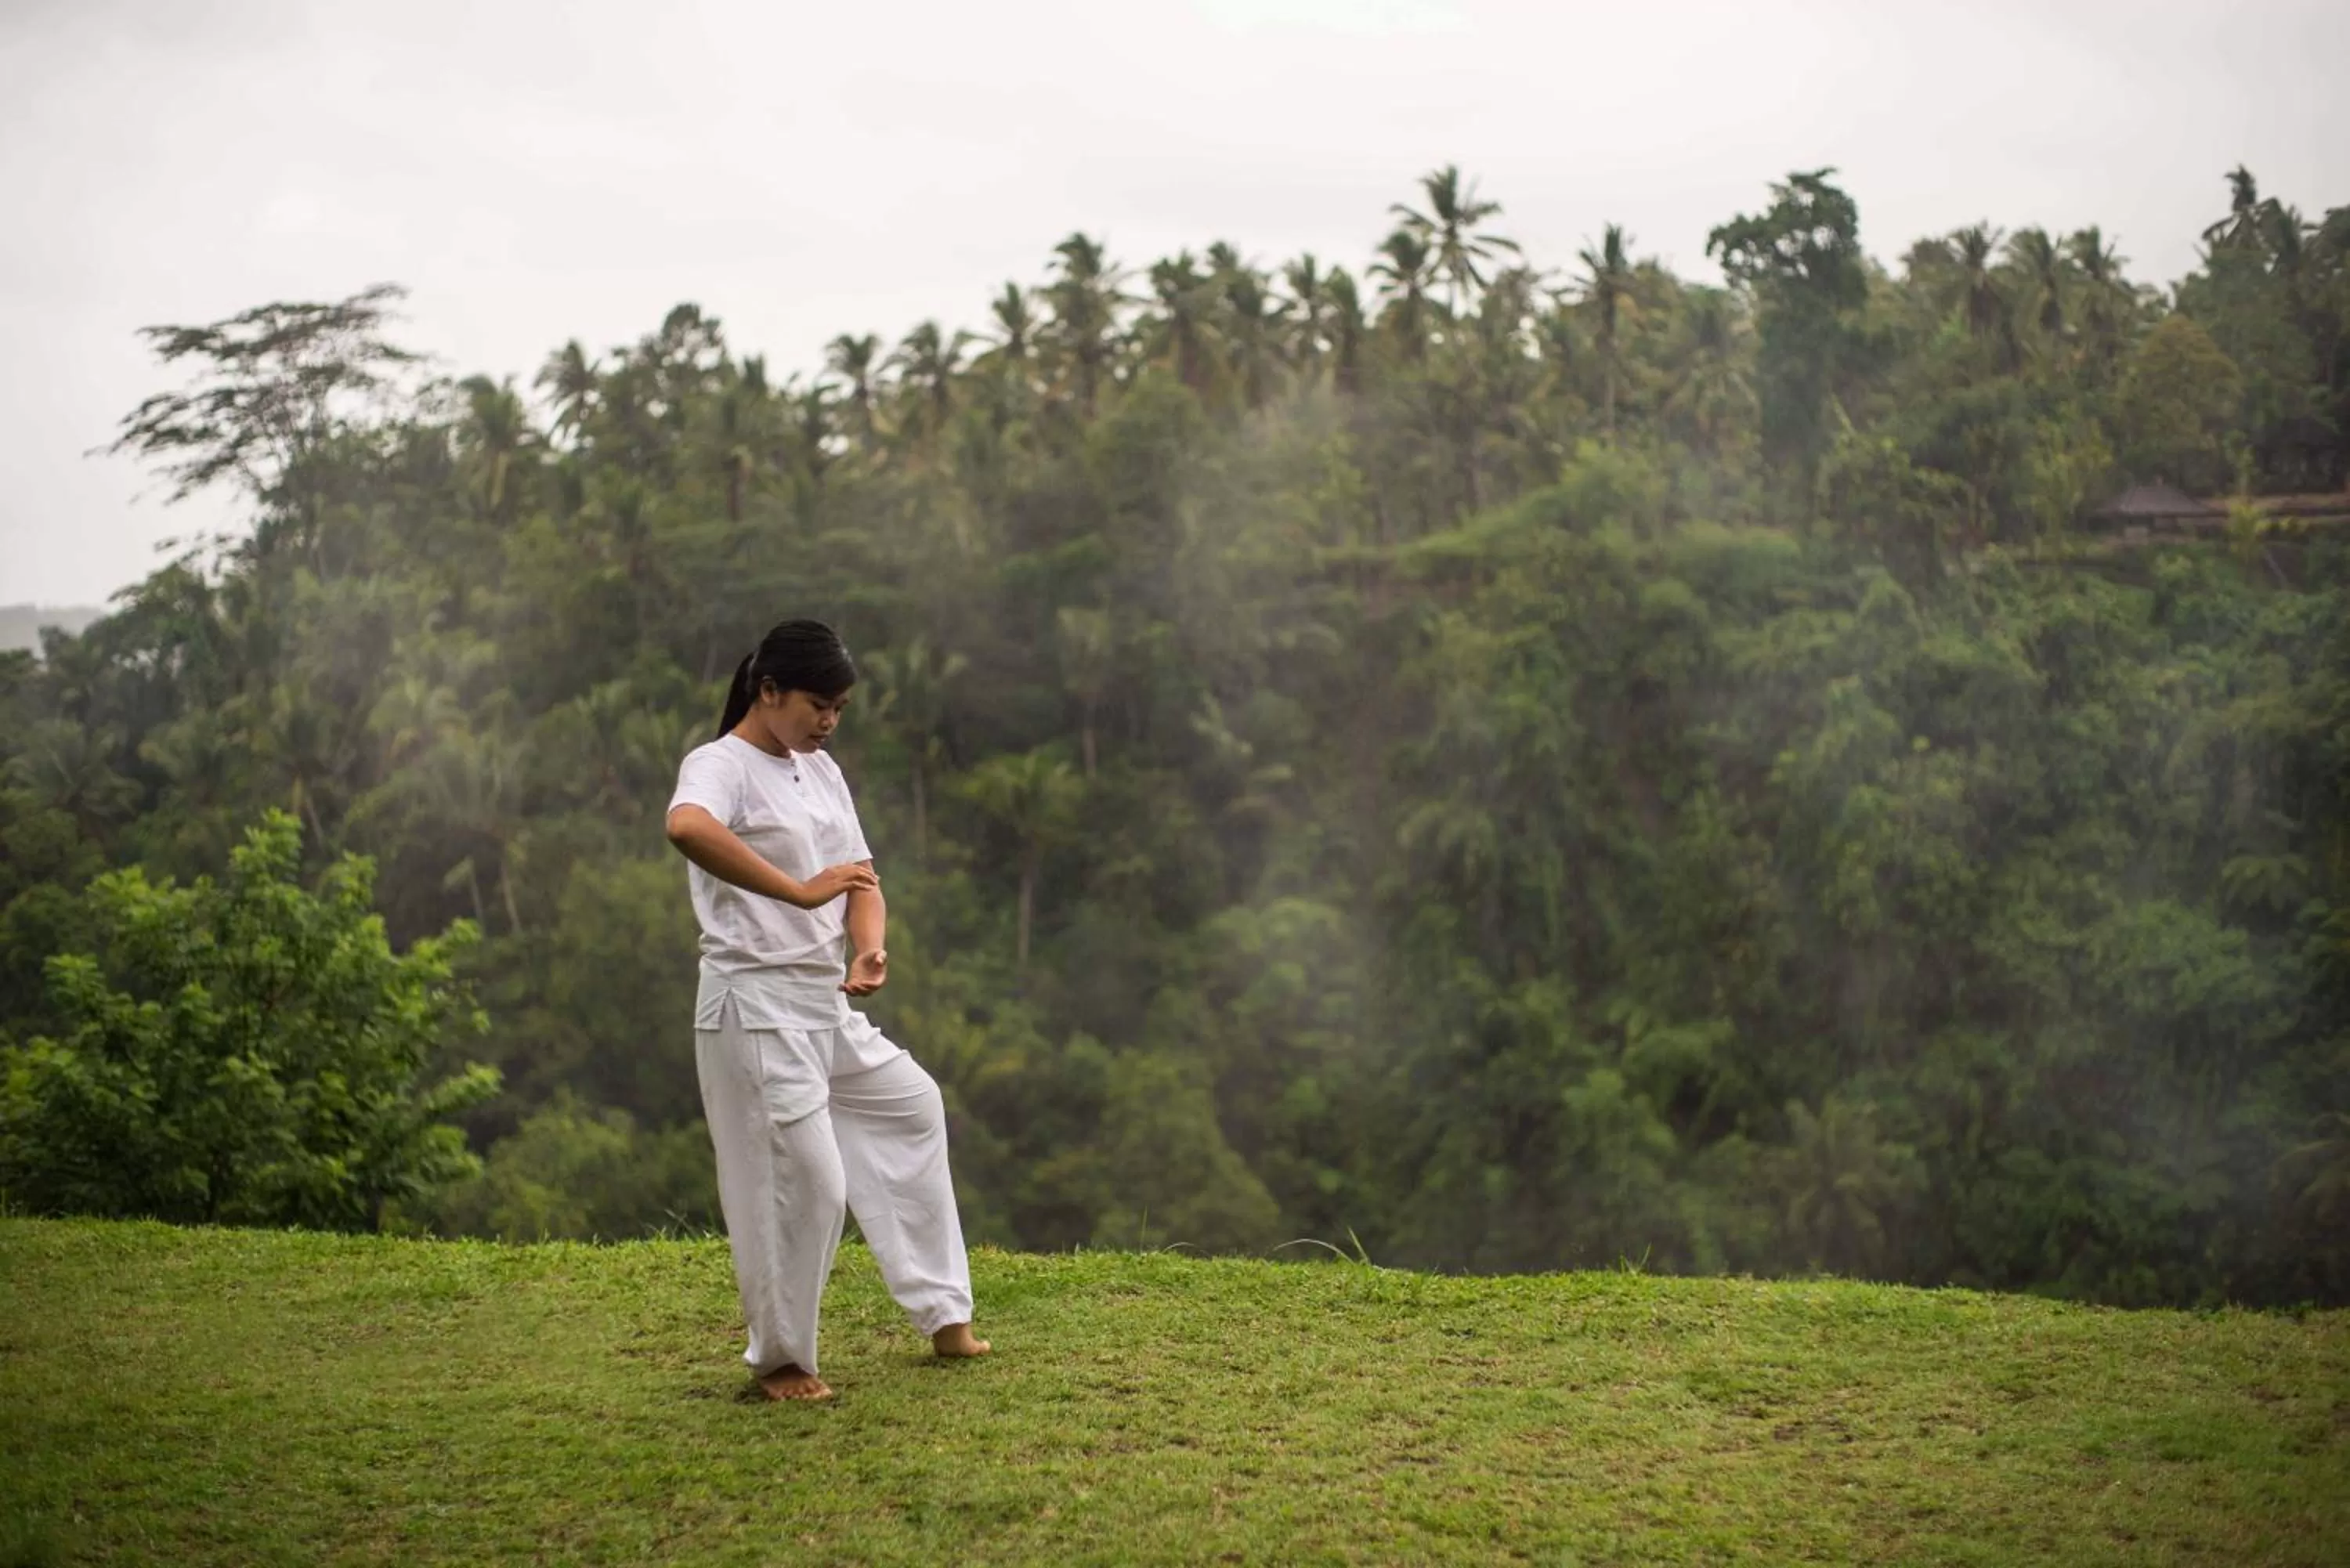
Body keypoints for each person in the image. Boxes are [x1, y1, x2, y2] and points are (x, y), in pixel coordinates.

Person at [664, 619, 988, 1401]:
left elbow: (861, 877)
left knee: (913, 1105)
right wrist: (798, 890)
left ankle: (944, 1314)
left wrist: (867, 947)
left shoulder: (821, 769)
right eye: (818, 703)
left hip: (821, 1001)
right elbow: (686, 826)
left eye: (839, 706)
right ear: (767, 689)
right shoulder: (720, 766)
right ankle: (781, 1360)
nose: (829, 719)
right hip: (754, 1006)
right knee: (801, 1181)